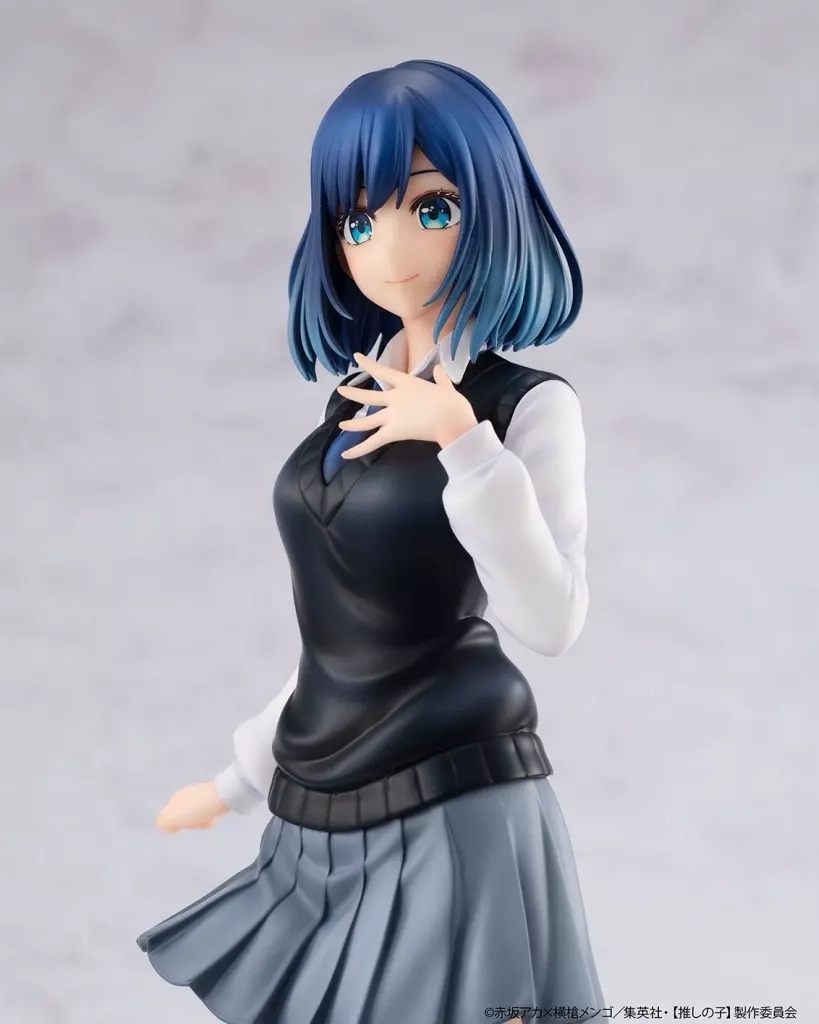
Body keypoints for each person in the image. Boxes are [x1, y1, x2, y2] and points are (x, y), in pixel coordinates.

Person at [137, 58, 604, 1024]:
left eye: (430, 208)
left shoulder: (523, 408)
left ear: (491, 207)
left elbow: (551, 621)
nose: (390, 249)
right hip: (320, 798)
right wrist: (236, 781)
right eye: (359, 221)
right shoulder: (350, 402)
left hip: (452, 795)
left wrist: (465, 444)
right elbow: (343, 638)